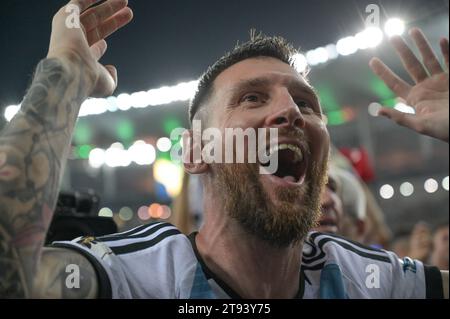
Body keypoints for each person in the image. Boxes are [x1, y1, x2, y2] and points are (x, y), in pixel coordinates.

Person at [0, 0, 448, 299]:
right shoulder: (129, 276)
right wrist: (67, 72)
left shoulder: (369, 280)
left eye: (306, 104)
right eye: (252, 97)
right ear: (195, 152)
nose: (291, 112)